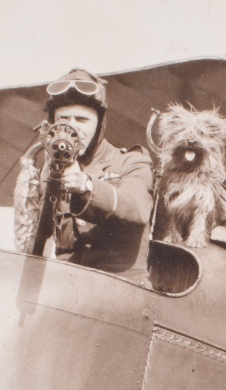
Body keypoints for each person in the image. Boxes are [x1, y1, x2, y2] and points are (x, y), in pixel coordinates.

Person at [14, 69, 154, 280]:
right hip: (67, 289)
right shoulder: (49, 170)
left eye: (81, 120)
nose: (72, 127)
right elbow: (39, 238)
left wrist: (87, 186)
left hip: (122, 291)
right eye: (63, 118)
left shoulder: (131, 161)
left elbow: (138, 209)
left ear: (99, 124)